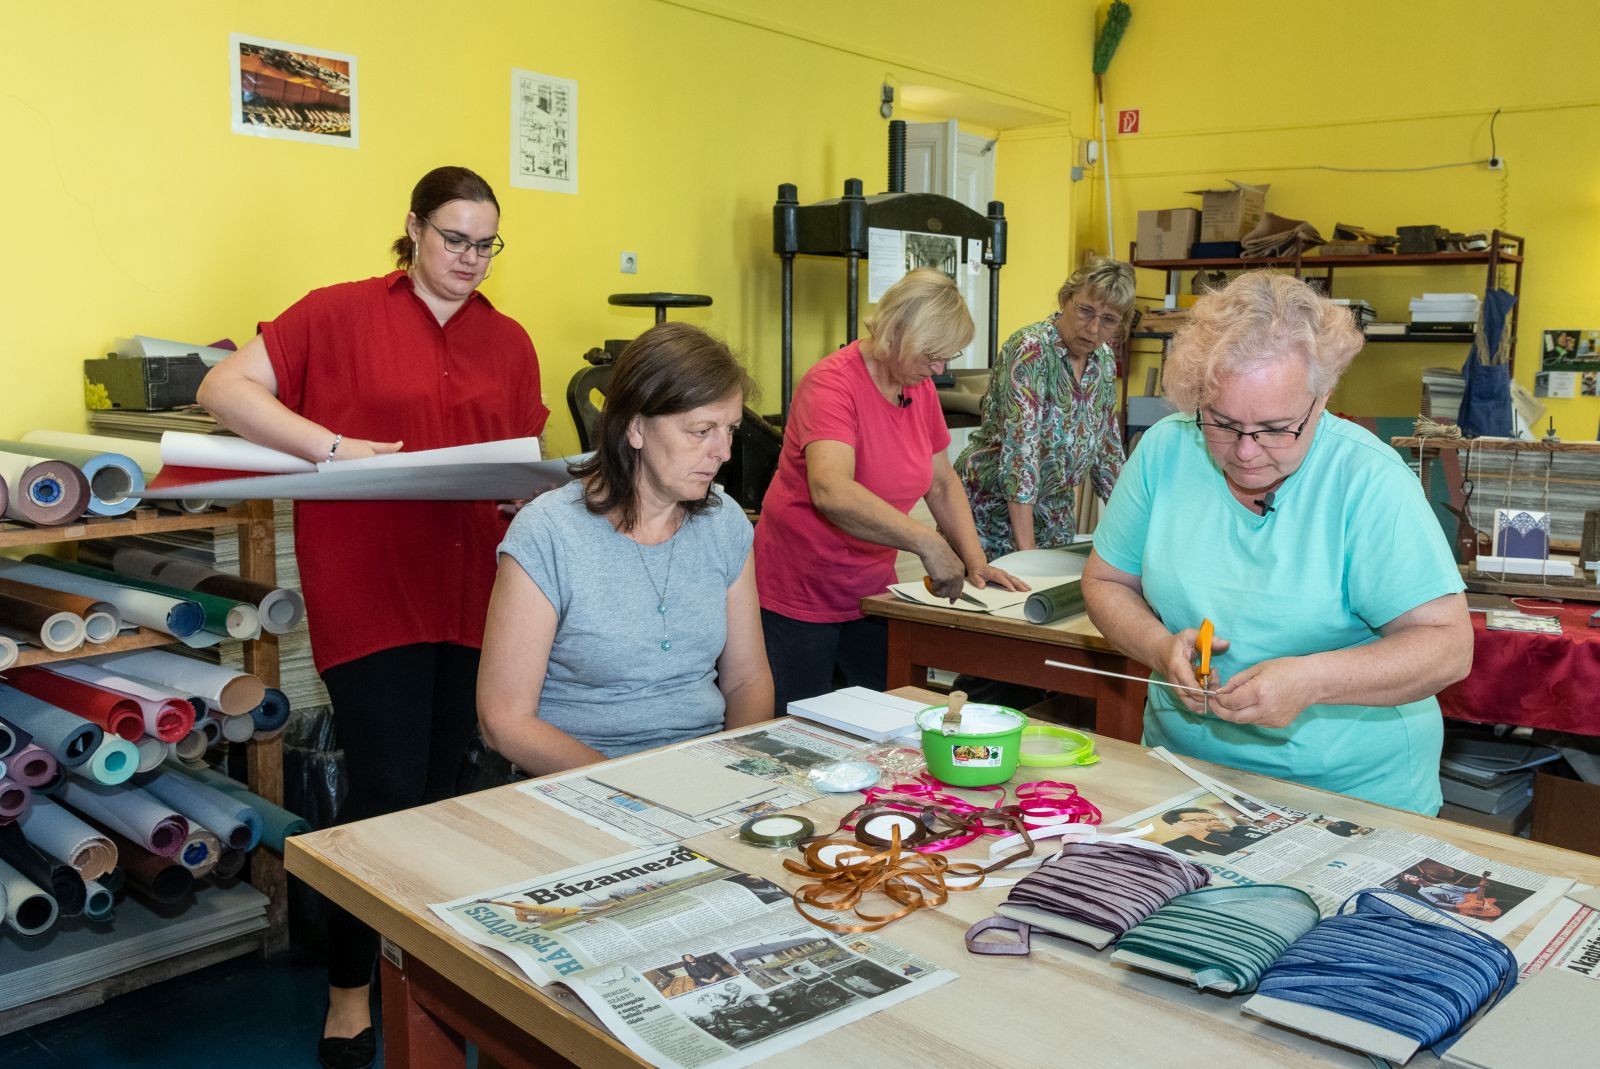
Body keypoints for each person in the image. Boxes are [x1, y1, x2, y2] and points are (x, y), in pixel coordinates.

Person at [196, 165, 545, 1069]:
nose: (470, 259)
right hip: (370, 581)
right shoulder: (338, 312)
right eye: (454, 239)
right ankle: (350, 985)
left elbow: (521, 456)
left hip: (472, 585)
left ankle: (424, 971)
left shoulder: (510, 341)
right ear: (414, 229)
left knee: (445, 788)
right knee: (385, 790)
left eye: (485, 244)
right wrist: (333, 447)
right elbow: (225, 390)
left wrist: (529, 497)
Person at [1081, 271, 1472, 815]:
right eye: (1220, 423)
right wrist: (1157, 647)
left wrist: (1312, 680)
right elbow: (1106, 581)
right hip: (1185, 772)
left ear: (1323, 396)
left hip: (1351, 793)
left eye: (1275, 427)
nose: (1245, 452)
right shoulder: (1164, 452)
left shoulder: (1369, 480)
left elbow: (1449, 647)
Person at [477, 323, 773, 773]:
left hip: (704, 769)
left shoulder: (724, 521)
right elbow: (505, 721)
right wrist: (637, 790)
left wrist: (736, 773)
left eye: (729, 429)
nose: (724, 452)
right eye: (701, 431)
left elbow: (747, 679)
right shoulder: (548, 533)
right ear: (635, 428)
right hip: (580, 777)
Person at [754, 269, 1024, 713]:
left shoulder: (917, 387)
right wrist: (927, 543)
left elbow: (941, 482)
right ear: (897, 334)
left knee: (889, 714)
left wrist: (976, 563)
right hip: (799, 589)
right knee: (799, 728)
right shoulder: (831, 385)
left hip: (870, 590)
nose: (940, 369)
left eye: (947, 356)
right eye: (932, 355)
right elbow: (831, 490)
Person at [956, 257, 1135, 555]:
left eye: (1108, 320)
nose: (1093, 328)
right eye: (1085, 311)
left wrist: (1136, 539)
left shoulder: (1102, 361)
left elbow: (1107, 453)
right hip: (993, 515)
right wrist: (1027, 553)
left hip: (1054, 515)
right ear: (1066, 299)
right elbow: (1021, 452)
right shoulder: (1031, 350)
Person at [1158, 806, 1270, 857]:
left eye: (1218, 818)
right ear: (1179, 825)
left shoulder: (1242, 829)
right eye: (1202, 820)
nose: (1218, 822)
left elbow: (1268, 849)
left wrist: (1205, 835)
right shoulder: (1171, 847)